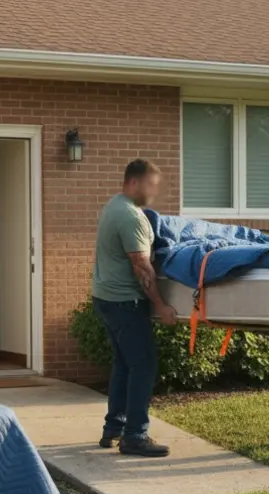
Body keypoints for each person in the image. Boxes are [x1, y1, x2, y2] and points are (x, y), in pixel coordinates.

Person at [91, 159, 177, 458]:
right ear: (133, 182)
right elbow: (141, 266)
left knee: (124, 365)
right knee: (143, 366)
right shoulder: (130, 216)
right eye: (151, 185)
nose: (154, 192)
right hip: (125, 302)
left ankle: (114, 428)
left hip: (106, 299)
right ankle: (135, 436)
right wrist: (161, 305)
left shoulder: (113, 206)